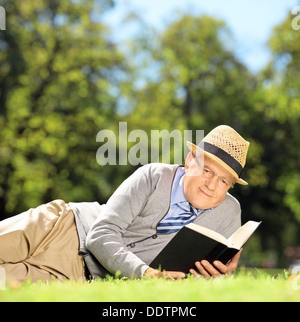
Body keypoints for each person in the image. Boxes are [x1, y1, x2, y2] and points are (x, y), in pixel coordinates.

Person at [0, 125, 250, 283]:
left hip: (79, 274)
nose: (212, 185)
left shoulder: (229, 213)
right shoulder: (153, 176)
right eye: (207, 170)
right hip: (64, 227)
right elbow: (99, 235)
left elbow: (201, 279)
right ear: (190, 161)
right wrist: (145, 274)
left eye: (224, 180)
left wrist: (221, 274)